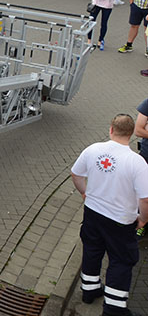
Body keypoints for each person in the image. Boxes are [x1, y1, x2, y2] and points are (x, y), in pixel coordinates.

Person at [71, 114, 148, 316]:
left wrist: (84, 193)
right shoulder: (137, 163)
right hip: (120, 220)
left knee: (92, 250)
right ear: (130, 134)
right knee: (121, 260)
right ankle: (113, 309)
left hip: (93, 213)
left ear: (111, 129)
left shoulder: (93, 149)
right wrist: (143, 218)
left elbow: (76, 174)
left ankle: (89, 290)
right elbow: (145, 199)